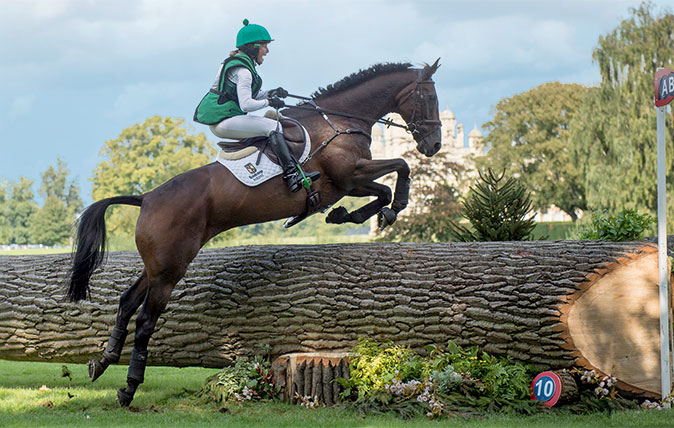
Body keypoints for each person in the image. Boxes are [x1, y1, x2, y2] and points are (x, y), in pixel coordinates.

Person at [194, 19, 319, 193]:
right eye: (264, 46)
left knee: (269, 126)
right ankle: (292, 174)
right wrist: (270, 102)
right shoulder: (244, 71)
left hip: (227, 118)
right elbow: (246, 105)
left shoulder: (241, 64)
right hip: (224, 121)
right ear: (252, 47)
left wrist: (271, 93)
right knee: (272, 126)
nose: (267, 51)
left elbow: (249, 96)